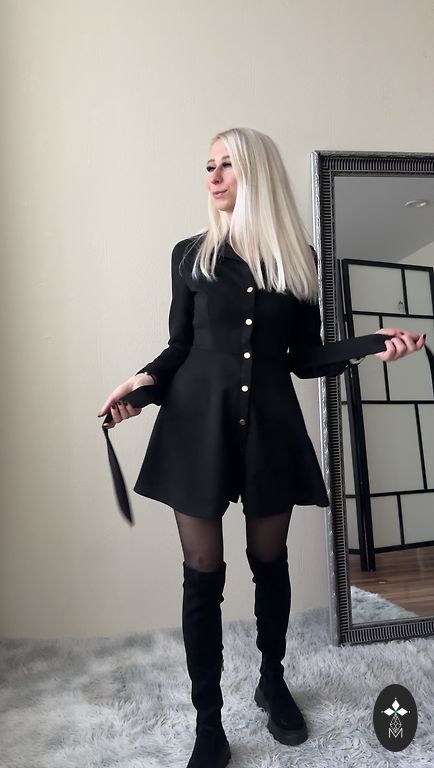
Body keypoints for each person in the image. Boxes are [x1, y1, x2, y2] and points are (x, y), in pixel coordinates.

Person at [98, 128, 425, 768]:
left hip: (270, 429)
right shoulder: (190, 256)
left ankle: (271, 681)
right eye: (209, 166)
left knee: (269, 563)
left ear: (257, 175)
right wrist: (139, 384)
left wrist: (369, 346)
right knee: (202, 574)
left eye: (228, 165)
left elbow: (304, 357)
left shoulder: (297, 259)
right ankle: (209, 723)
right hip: (196, 429)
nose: (214, 176)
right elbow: (179, 346)